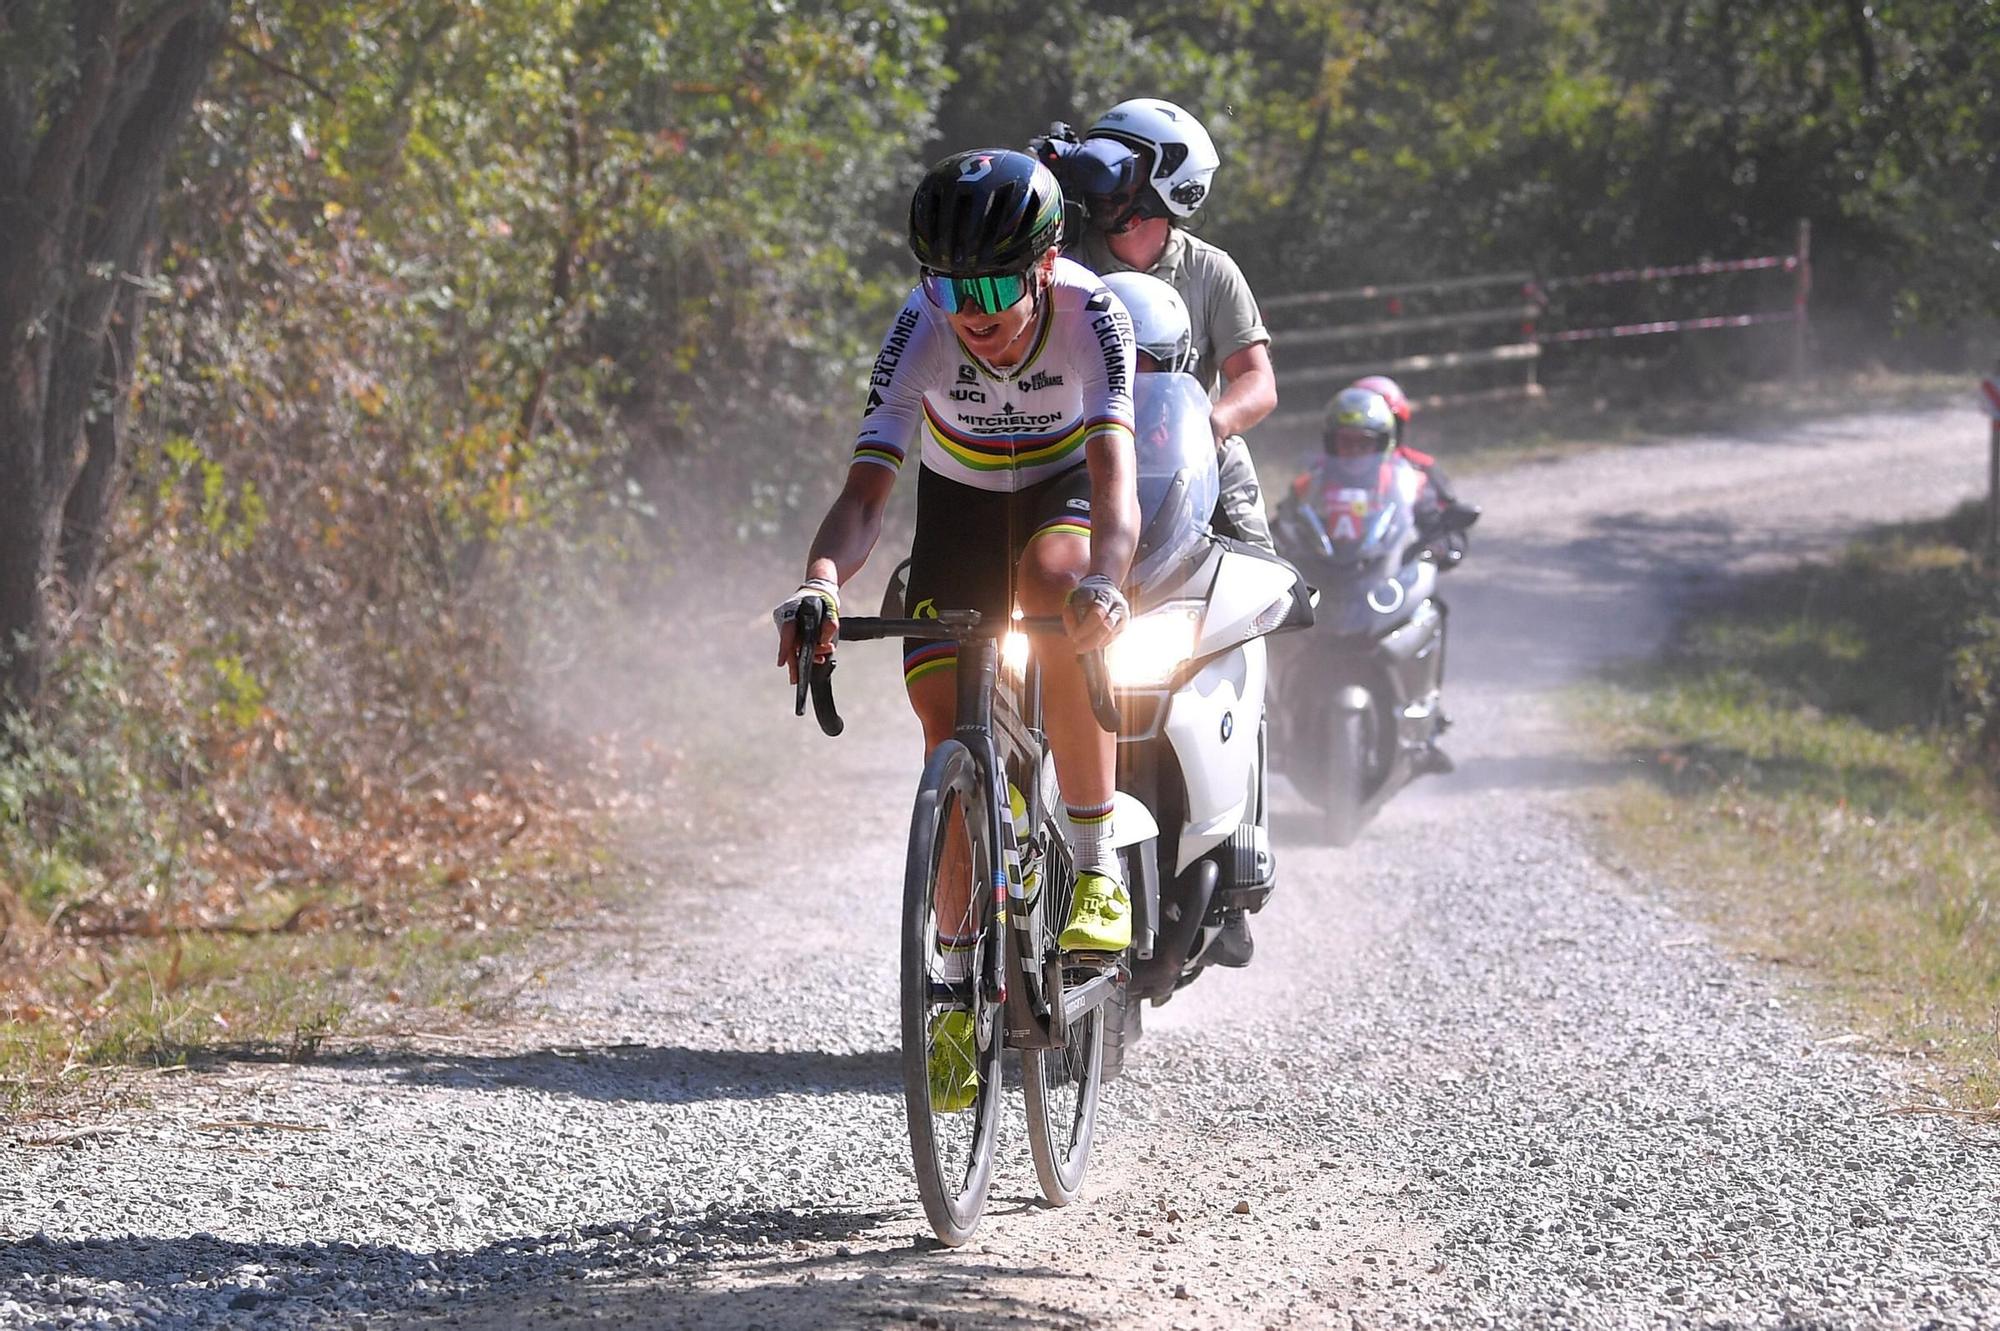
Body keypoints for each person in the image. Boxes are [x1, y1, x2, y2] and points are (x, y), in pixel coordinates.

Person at [772, 149, 1140, 1110]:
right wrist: (817, 581)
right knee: (945, 725)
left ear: (1045, 266)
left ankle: (1096, 866)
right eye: (947, 280)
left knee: (1059, 588)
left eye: (989, 281)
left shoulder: (1096, 314)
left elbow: (1116, 489)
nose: (969, 305)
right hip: (962, 503)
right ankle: (953, 991)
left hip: (1061, 488)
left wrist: (1108, 581)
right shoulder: (924, 320)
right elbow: (866, 495)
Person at [1035, 99, 1280, 556]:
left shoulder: (1209, 270)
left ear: (1174, 179)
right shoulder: (1063, 265)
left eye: (1123, 168)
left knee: (1257, 577)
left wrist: (1213, 425)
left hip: (1187, 460)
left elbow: (1257, 379)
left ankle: (1263, 597)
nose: (1104, 183)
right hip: (1080, 456)